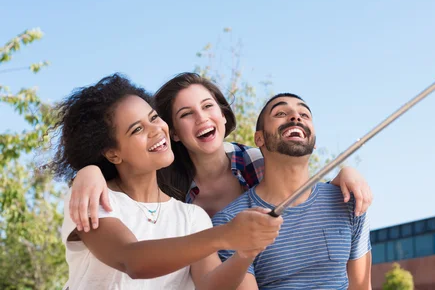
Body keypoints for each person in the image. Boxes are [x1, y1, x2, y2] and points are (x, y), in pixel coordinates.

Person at [52, 74, 282, 289]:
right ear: (113, 154)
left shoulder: (192, 216)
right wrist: (226, 234)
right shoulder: (93, 198)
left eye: (154, 118)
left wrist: (244, 253)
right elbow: (132, 260)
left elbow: (210, 285)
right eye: (137, 129)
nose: (156, 130)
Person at [69, 72, 373, 231]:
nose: (202, 119)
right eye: (186, 114)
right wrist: (89, 171)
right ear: (173, 131)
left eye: (208, 106)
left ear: (223, 115)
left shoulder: (258, 161)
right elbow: (120, 191)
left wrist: (346, 173)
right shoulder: (162, 181)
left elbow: (307, 198)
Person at [212, 93, 372, 289]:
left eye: (304, 115)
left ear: (314, 142)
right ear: (259, 138)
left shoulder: (349, 201)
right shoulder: (230, 222)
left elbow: (362, 286)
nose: (296, 117)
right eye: (281, 112)